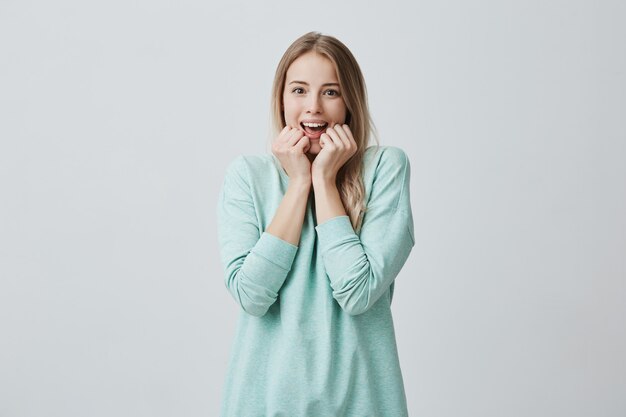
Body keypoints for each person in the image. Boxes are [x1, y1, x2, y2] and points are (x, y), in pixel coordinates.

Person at [217, 31, 415, 417]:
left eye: (330, 92)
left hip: (363, 403)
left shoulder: (385, 168)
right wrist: (299, 184)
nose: (313, 108)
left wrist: (324, 181)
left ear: (350, 102)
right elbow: (252, 296)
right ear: (281, 99)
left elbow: (356, 292)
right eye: (299, 90)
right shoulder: (247, 176)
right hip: (262, 405)